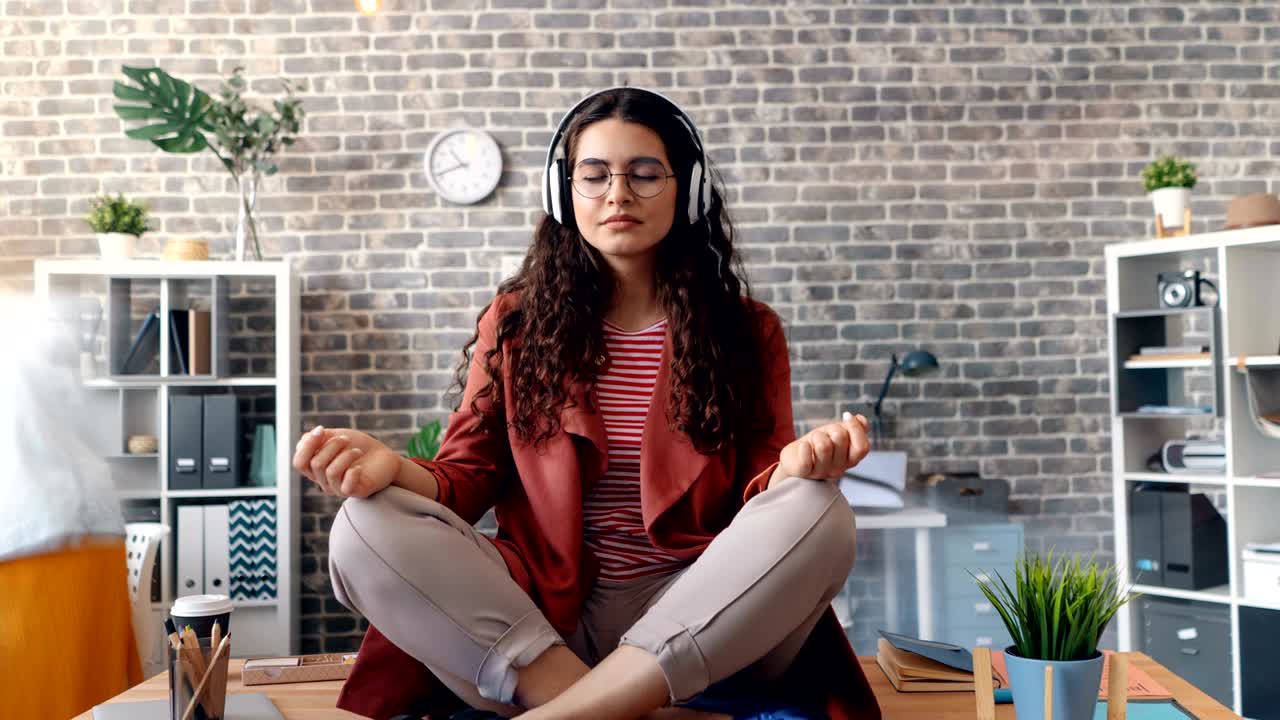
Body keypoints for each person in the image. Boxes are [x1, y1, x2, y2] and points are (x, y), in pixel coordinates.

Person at [295, 88, 879, 720]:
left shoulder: (746, 329)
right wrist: (389, 469)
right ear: (562, 193)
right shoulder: (518, 322)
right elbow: (466, 479)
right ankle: (621, 709)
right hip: (541, 622)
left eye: (645, 174)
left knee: (820, 508)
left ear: (690, 190)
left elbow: (758, 493)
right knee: (362, 525)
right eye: (594, 175)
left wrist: (793, 470)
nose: (617, 194)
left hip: (700, 614)